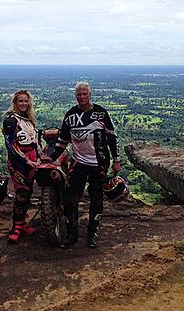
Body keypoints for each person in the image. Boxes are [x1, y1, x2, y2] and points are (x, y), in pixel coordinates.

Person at [45, 81, 121, 248]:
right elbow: (62, 141)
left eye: (84, 94)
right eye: (78, 94)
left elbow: (111, 137)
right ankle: (72, 234)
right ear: (75, 96)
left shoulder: (101, 113)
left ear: (90, 94)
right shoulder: (71, 115)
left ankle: (92, 233)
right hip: (78, 162)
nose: (81, 97)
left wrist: (116, 159)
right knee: (70, 199)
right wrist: (51, 158)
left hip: (99, 163)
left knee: (96, 199)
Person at [2, 90, 40, 244]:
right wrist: (25, 160)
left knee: (28, 192)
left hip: (31, 158)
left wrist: (39, 155)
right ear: (15, 102)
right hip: (18, 161)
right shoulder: (11, 119)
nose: (24, 104)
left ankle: (22, 224)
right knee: (21, 193)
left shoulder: (28, 119)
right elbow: (10, 144)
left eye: (26, 101)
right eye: (21, 101)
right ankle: (16, 228)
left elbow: (34, 141)